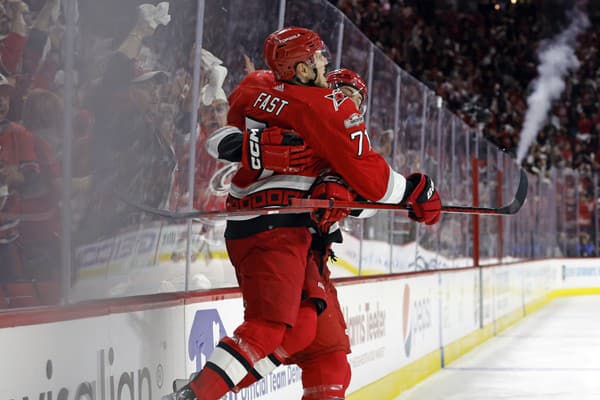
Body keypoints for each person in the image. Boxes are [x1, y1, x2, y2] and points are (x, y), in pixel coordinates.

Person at [166, 27, 441, 400]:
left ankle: (201, 388)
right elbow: (378, 188)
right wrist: (414, 191)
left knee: (322, 349)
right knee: (271, 327)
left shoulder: (255, 86)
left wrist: (339, 196)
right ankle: (197, 394)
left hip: (292, 236)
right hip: (275, 229)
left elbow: (221, 139)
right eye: (318, 58)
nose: (325, 64)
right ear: (300, 67)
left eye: (355, 96)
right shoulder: (326, 110)